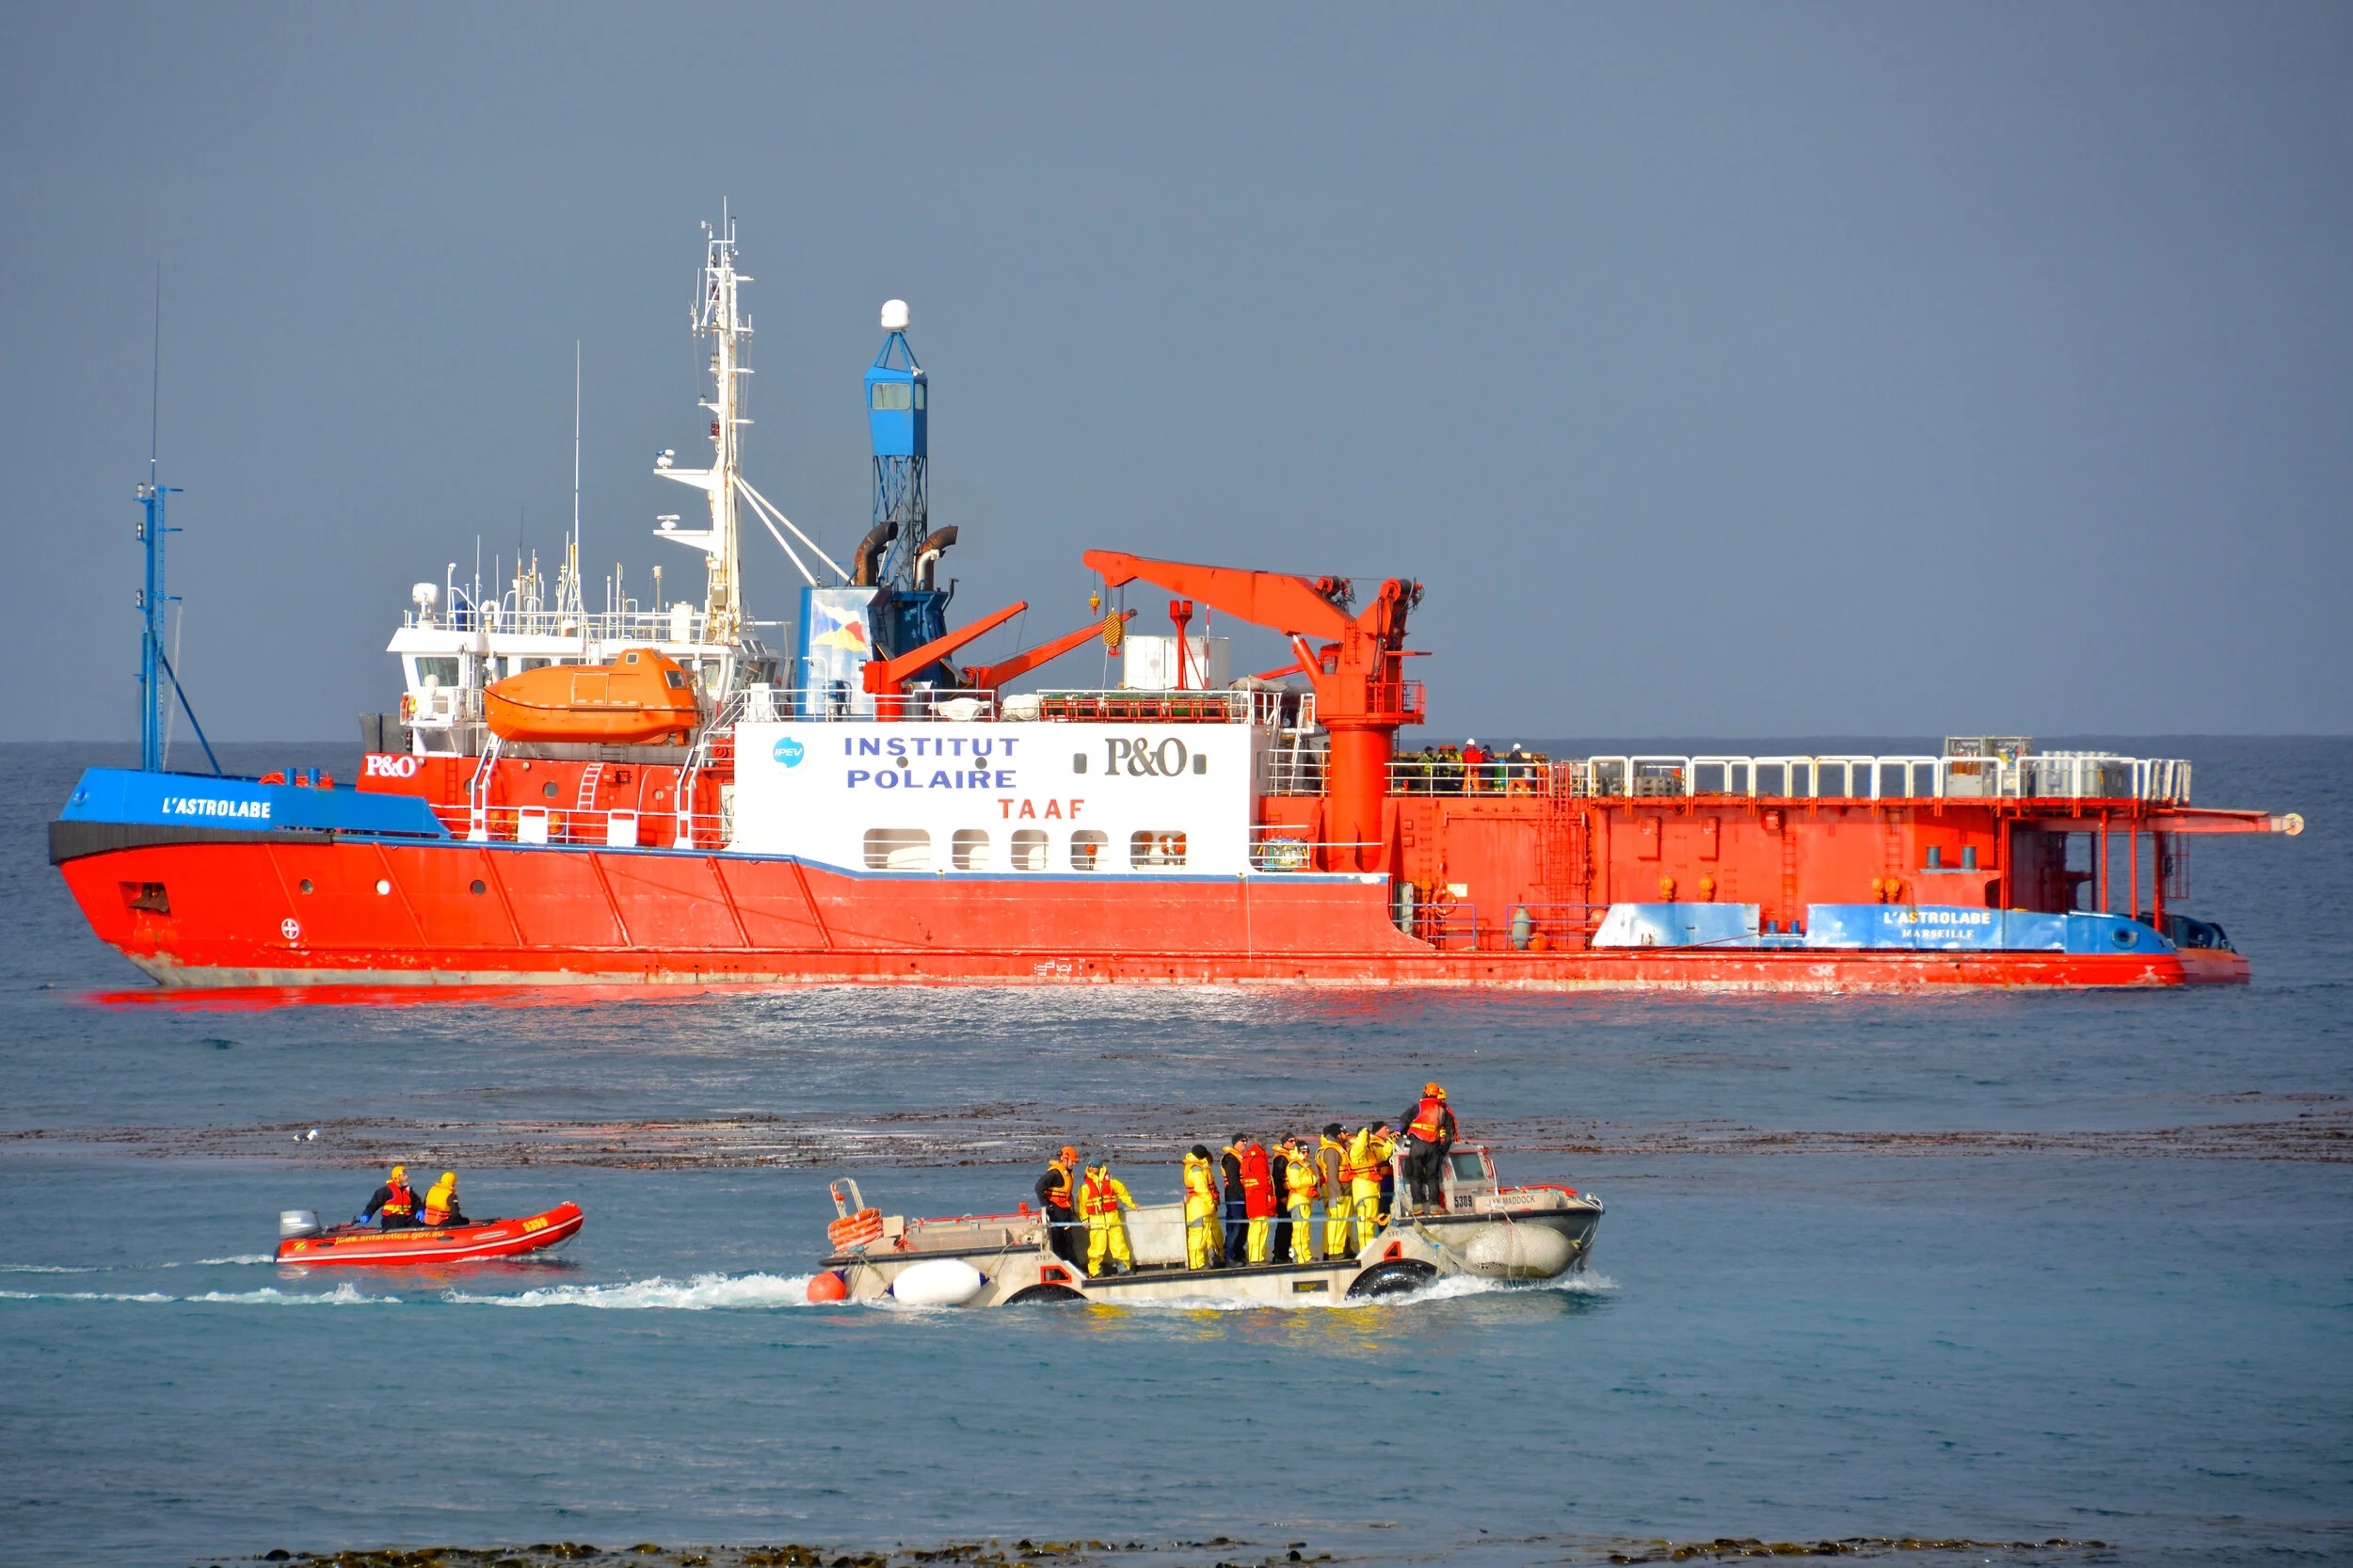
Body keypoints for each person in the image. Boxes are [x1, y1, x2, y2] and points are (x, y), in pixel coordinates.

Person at [1399, 1082, 1459, 1212]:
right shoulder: (1442, 1110)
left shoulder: (1418, 1107)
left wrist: (1402, 1134)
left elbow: (1403, 1120)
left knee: (1415, 1175)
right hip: (1434, 1146)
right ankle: (1434, 1206)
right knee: (1433, 1177)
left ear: (1424, 1093)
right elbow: (1450, 1132)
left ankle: (1417, 1206)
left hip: (1417, 1145)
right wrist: (1444, 1148)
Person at [1077, 1157, 1136, 1277]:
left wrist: (1132, 1204)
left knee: (1119, 1244)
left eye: (1093, 1166)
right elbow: (1081, 1205)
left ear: (1099, 1167)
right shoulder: (1085, 1186)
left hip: (1112, 1218)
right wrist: (1084, 1220)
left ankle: (1123, 1268)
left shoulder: (1111, 1181)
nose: (1091, 1168)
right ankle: (1096, 1271)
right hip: (1096, 1220)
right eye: (1090, 1166)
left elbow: (1122, 1193)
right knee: (1096, 1248)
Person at [1034, 1145, 1082, 1267]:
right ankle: (1061, 1269)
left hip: (1064, 1211)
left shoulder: (1068, 1174)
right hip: (1055, 1212)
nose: (1073, 1164)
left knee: (1068, 1241)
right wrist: (1047, 1206)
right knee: (1059, 1242)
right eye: (1072, 1161)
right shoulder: (1054, 1173)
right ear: (1065, 1159)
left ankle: (1072, 1266)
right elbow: (1039, 1187)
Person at [1181, 1144, 1223, 1270]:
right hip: (1199, 1208)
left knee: (1210, 1235)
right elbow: (1202, 1189)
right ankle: (1196, 1264)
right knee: (1197, 1237)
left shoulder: (1199, 1167)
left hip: (1204, 1208)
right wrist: (1210, 1202)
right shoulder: (1196, 1170)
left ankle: (1215, 1258)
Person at [1283, 1136, 1321, 1263]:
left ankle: (1302, 1255)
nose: (1305, 1154)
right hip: (1298, 1201)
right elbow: (1294, 1182)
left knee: (1304, 1230)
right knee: (1300, 1230)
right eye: (1302, 1152)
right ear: (1297, 1152)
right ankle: (1302, 1257)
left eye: (1306, 1152)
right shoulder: (1294, 1165)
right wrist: (1312, 1180)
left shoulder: (1306, 1164)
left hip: (1305, 1201)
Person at [1317, 1123, 1353, 1259]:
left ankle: (1340, 1248)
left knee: (1342, 1222)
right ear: (1338, 1135)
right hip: (1339, 1192)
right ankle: (1335, 1252)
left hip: (1345, 1191)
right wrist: (1337, 1193)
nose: (1347, 1134)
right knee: (1337, 1222)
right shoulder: (1332, 1151)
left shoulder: (1339, 1149)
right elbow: (1332, 1174)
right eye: (1344, 1132)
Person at [1239, 1136, 1275, 1263]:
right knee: (1261, 1229)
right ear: (1263, 1146)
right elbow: (1264, 1181)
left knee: (1254, 1229)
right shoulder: (1259, 1160)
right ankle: (1258, 1258)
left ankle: (1254, 1257)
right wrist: (1271, 1195)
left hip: (1250, 1198)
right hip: (1260, 1198)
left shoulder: (1247, 1159)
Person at [360, 1164, 421, 1229]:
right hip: (391, 1219)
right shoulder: (385, 1191)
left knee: (417, 1221)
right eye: (404, 1175)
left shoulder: (409, 1192)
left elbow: (418, 1204)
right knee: (398, 1220)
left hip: (407, 1217)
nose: (407, 1177)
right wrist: (367, 1214)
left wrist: (420, 1211)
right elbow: (373, 1205)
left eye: (406, 1175)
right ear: (396, 1177)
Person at [1220, 1136, 1250, 1265]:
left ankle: (1239, 1254)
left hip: (1243, 1197)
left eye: (1246, 1141)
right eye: (1242, 1141)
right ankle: (1229, 1256)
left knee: (1244, 1226)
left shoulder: (1241, 1157)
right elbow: (1233, 1180)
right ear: (1235, 1143)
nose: (1245, 1143)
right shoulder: (1231, 1159)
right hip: (1234, 1197)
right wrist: (1243, 1194)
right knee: (1235, 1226)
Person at [1266, 1138, 1293, 1263]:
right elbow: (1277, 1179)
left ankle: (1283, 1252)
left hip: (1290, 1196)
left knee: (1289, 1226)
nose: (1293, 1143)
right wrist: (1282, 1196)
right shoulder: (1281, 1158)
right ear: (1284, 1143)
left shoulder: (1290, 1156)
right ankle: (1279, 1254)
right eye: (1291, 1141)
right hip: (1284, 1197)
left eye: (1294, 1141)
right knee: (1284, 1226)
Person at [1370, 1121, 1399, 1229]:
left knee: (1391, 1204)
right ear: (1378, 1130)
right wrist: (1391, 1141)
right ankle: (1382, 1230)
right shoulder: (1374, 1143)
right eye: (1385, 1128)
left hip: (1391, 1177)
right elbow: (1382, 1156)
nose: (1388, 1130)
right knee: (1384, 1207)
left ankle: (1391, 1227)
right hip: (1383, 1178)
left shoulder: (1384, 1141)